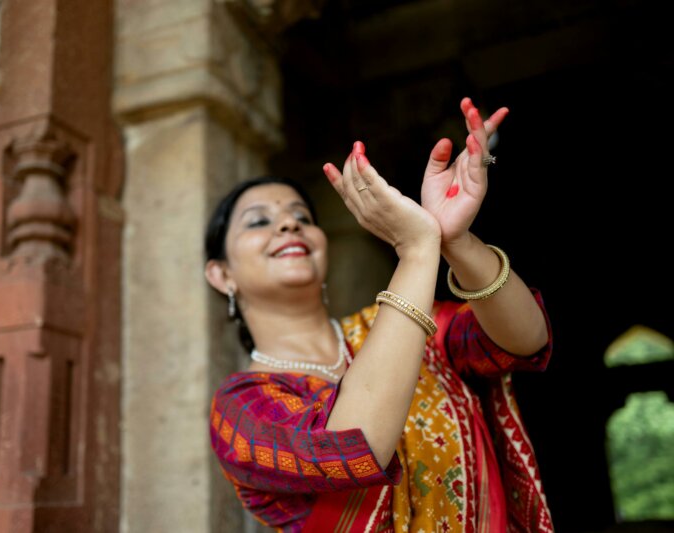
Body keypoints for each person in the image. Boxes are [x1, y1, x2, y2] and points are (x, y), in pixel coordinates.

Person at [204, 98, 554, 532]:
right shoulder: (239, 412)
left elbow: (525, 339)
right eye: (259, 222)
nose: (289, 226)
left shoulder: (398, 331)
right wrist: (415, 251)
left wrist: (454, 240)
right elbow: (354, 447)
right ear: (221, 275)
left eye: (301, 216)